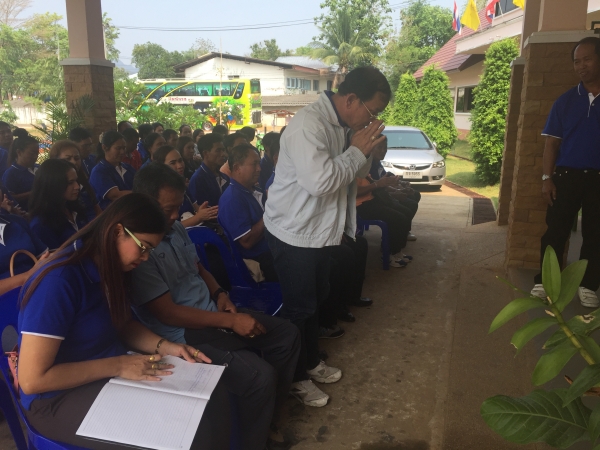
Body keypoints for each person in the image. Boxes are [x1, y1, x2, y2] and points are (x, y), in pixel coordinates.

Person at [17, 193, 231, 449]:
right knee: (174, 433)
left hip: (107, 373)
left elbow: (123, 324)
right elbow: (32, 380)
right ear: (118, 231)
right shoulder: (59, 281)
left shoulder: (112, 266)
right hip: (57, 397)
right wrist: (118, 365)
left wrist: (167, 347)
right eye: (144, 247)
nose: (146, 257)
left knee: (211, 400)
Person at [130, 165, 300, 450]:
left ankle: (264, 417)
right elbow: (167, 313)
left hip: (213, 312)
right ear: (145, 204)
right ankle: (252, 442)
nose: (175, 216)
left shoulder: (176, 228)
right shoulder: (142, 250)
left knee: (286, 335)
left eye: (177, 207)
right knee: (259, 377)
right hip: (184, 333)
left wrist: (220, 293)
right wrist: (231, 322)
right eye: (168, 209)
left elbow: (197, 268)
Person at [264, 66, 390, 407]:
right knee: (299, 307)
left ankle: (309, 361)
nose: (373, 120)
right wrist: (356, 151)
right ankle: (294, 378)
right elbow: (320, 182)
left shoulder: (343, 126)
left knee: (316, 298)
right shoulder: (310, 125)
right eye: (372, 112)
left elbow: (351, 173)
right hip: (294, 233)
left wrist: (368, 152)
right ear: (352, 99)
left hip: (317, 231)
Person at [531, 37, 600, 308]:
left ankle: (588, 285)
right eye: (576, 61)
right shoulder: (565, 101)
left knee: (596, 234)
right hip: (566, 177)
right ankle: (545, 281)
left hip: (598, 180)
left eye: (587, 59)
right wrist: (546, 179)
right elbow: (551, 144)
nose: (581, 66)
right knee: (555, 231)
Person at [219, 144, 277, 282]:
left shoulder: (253, 190)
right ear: (237, 168)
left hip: (273, 249)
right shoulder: (232, 199)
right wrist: (270, 211)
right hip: (261, 259)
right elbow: (247, 242)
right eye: (254, 164)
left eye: (259, 163)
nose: (259, 168)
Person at [29, 159, 88, 251]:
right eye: (70, 183)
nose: (77, 186)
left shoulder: (73, 208)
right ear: (53, 185)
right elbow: (56, 257)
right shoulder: (41, 225)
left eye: (76, 181)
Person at [369, 137, 421, 242]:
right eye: (379, 147)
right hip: (374, 201)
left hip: (382, 195)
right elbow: (375, 188)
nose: (383, 151)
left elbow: (386, 179)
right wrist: (395, 192)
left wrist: (401, 185)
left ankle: (403, 231)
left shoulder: (377, 162)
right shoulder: (368, 166)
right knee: (407, 208)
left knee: (414, 194)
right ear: (371, 148)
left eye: (385, 148)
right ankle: (396, 237)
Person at [152, 146, 218, 227]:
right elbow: (167, 227)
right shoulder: (158, 191)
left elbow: (196, 209)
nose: (180, 166)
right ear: (161, 166)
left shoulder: (182, 186)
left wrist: (207, 211)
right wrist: (198, 217)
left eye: (180, 160)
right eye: (173, 163)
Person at [48, 140, 102, 220]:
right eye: (68, 159)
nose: (74, 162)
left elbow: (97, 208)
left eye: (77, 158)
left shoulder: (84, 182)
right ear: (55, 161)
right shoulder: (55, 190)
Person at [89, 131, 134, 209]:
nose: (122, 152)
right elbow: (115, 195)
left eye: (124, 148)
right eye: (118, 148)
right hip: (111, 213)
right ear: (104, 147)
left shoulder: (128, 167)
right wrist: (142, 193)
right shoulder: (99, 171)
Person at [189, 133, 229, 206]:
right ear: (206, 153)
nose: (223, 154)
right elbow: (202, 209)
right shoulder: (198, 179)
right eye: (218, 150)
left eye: (223, 150)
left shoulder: (224, 177)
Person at [3, 136, 39, 211]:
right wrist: (34, 193)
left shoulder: (39, 168)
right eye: (32, 153)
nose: (35, 156)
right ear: (19, 152)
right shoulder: (11, 173)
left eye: (37, 153)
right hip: (25, 213)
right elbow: (8, 198)